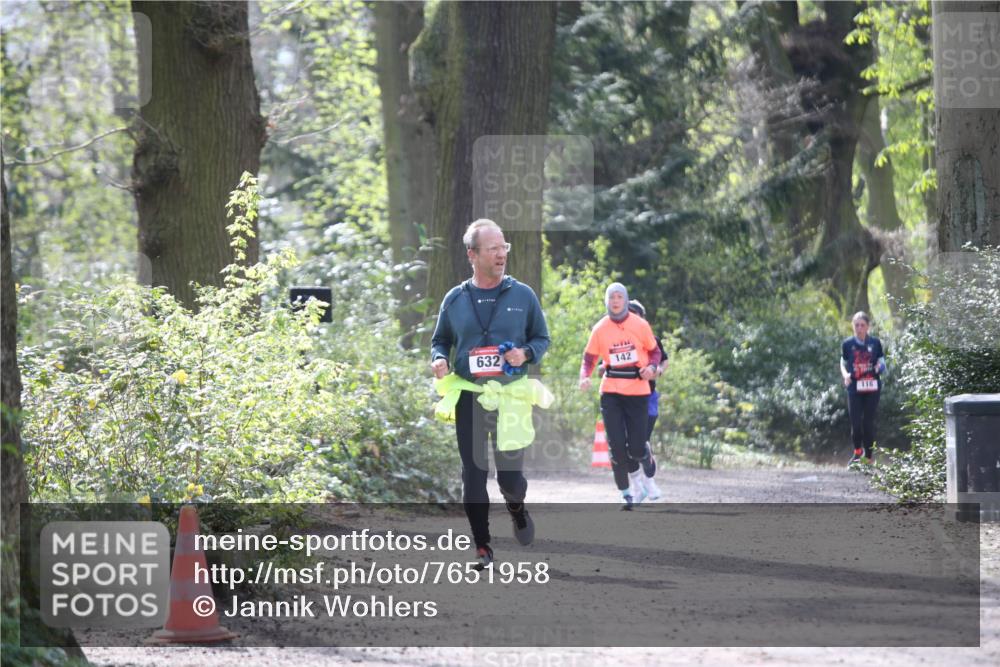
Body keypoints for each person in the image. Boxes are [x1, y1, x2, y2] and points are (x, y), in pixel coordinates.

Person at [430, 219, 550, 569]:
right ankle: (482, 546)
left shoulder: (523, 295)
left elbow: (541, 338)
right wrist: (439, 359)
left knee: (511, 479)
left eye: (504, 247)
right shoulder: (455, 299)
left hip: (510, 396)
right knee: (473, 473)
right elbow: (440, 340)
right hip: (470, 395)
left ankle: (517, 508)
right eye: (493, 248)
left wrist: (525, 353)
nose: (501, 254)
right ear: (472, 254)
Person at [578, 283, 662, 509]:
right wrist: (584, 376)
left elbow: (655, 351)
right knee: (616, 447)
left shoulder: (640, 325)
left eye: (619, 297)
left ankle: (645, 461)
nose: (615, 301)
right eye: (611, 297)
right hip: (611, 392)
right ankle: (626, 492)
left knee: (635, 448)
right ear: (606, 301)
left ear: (625, 300)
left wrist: (652, 368)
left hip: (638, 391)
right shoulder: (600, 328)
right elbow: (589, 358)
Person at [627, 299, 667, 500]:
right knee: (625, 445)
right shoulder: (619, 340)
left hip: (647, 397)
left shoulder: (652, 339)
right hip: (623, 398)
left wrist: (658, 371)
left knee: (640, 442)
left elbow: (664, 360)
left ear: (643, 318)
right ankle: (638, 487)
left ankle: (649, 481)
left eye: (635, 315)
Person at [840, 311, 886, 467]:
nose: (859, 328)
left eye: (862, 325)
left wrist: (880, 367)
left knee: (868, 422)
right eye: (856, 325)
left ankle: (868, 457)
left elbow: (882, 362)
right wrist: (846, 375)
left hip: (872, 386)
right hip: (854, 386)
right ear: (853, 326)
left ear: (868, 327)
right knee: (855, 423)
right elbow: (843, 362)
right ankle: (858, 452)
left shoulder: (875, 343)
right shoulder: (847, 344)